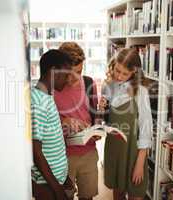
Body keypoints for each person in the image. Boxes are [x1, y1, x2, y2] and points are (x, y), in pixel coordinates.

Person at [100, 48, 153, 200]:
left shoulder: (140, 91)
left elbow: (145, 127)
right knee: (118, 194)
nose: (119, 76)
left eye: (124, 73)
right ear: (113, 65)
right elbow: (107, 121)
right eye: (117, 70)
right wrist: (102, 108)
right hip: (115, 148)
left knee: (136, 192)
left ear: (134, 73)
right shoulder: (108, 86)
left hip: (134, 151)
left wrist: (140, 163)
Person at [53, 42, 99, 200]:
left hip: (89, 153)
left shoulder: (88, 83)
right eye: (71, 74)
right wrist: (64, 121)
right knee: (65, 196)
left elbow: (95, 115)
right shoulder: (51, 88)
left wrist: (96, 131)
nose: (76, 78)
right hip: (63, 156)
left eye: (79, 71)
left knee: (88, 196)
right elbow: (43, 123)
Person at [31, 49, 73, 200]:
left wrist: (64, 177)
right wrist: (57, 188)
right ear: (53, 71)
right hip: (47, 186)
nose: (69, 80)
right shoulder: (39, 102)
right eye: (66, 74)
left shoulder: (46, 97)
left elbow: (54, 144)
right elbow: (36, 151)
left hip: (55, 181)